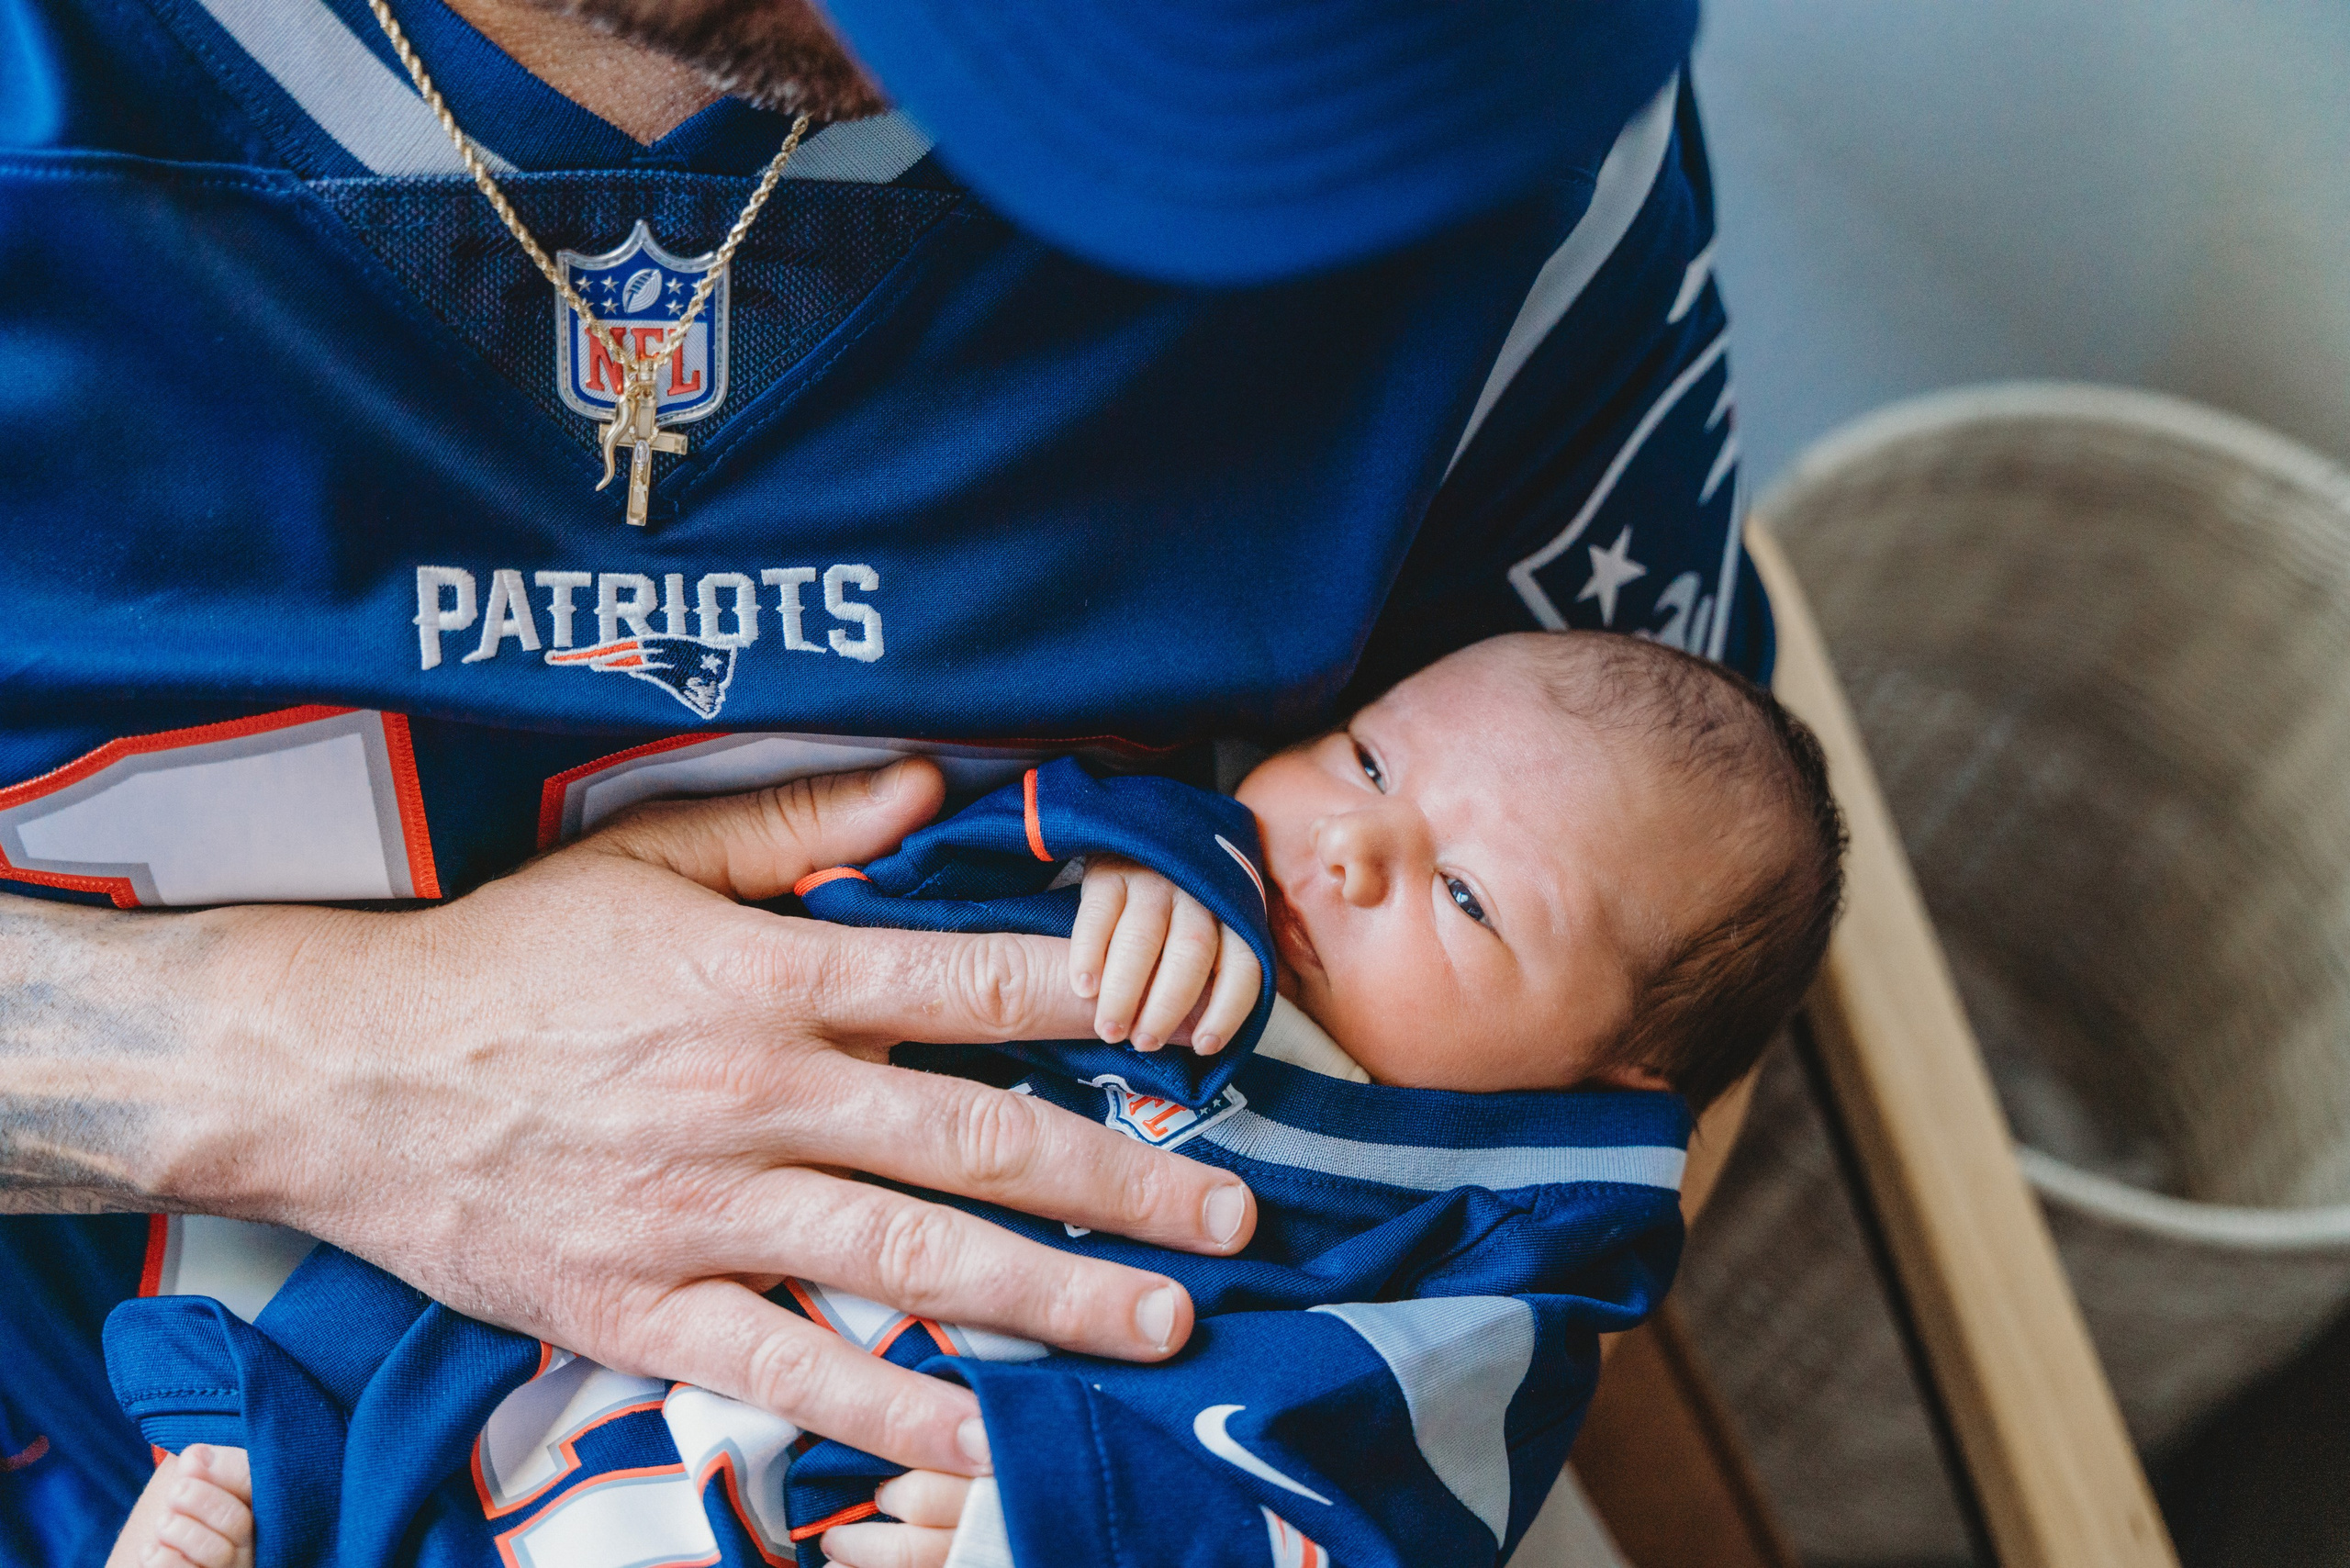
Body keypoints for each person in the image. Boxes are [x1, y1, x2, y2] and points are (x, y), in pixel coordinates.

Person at [0, 0, 1757, 1556]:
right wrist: (317, 1069)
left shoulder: (1448, 104)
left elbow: (1648, 1031)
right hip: (134, 1433)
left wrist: (1208, 1476)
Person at [104, 632, 1842, 1568]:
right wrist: (1122, 858)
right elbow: (878, 891)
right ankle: (273, 1477)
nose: (1357, 846)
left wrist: (1082, 1513)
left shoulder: (1486, 1254)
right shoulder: (1149, 879)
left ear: (1616, 1082)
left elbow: (1390, 1495)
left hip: (945, 1490)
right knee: (440, 1325)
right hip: (599, 1313)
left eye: (1468, 901)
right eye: (1374, 756)